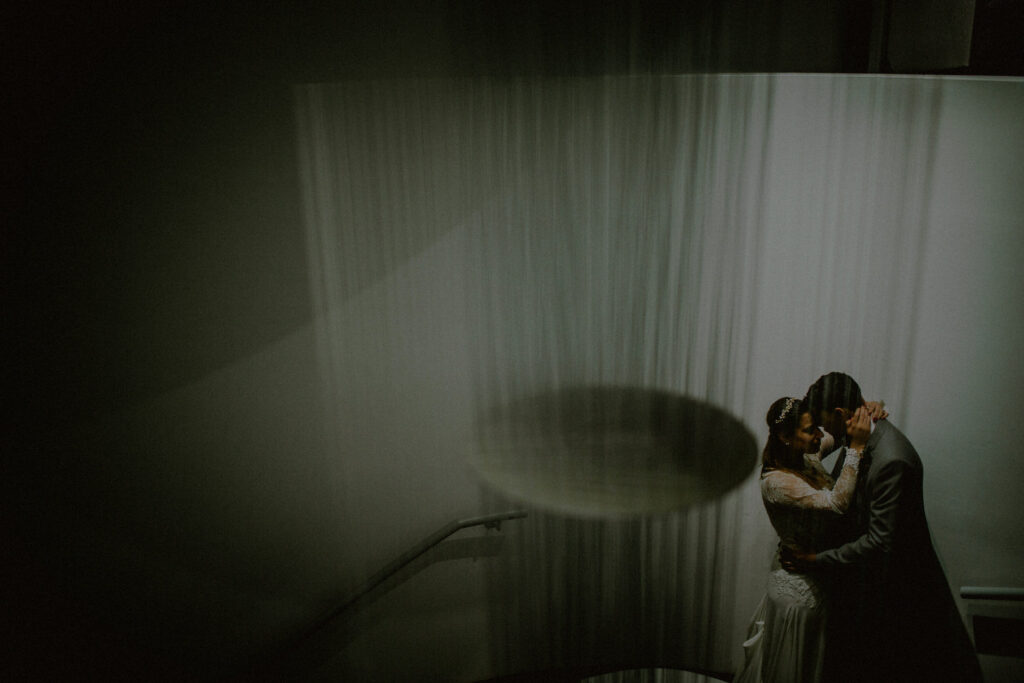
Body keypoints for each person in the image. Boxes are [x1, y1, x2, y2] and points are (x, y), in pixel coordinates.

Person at [784, 372, 982, 683]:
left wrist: (815, 560)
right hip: (861, 584)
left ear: (840, 414)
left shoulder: (891, 460)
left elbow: (879, 543)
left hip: (890, 595)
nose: (823, 433)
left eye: (824, 424)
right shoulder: (856, 433)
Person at [734, 395, 879, 683]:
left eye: (816, 427)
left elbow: (836, 434)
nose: (819, 435)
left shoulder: (806, 455)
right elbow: (838, 503)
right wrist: (858, 449)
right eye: (810, 430)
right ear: (786, 437)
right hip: (798, 593)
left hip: (815, 575)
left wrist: (869, 411)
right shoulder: (776, 482)